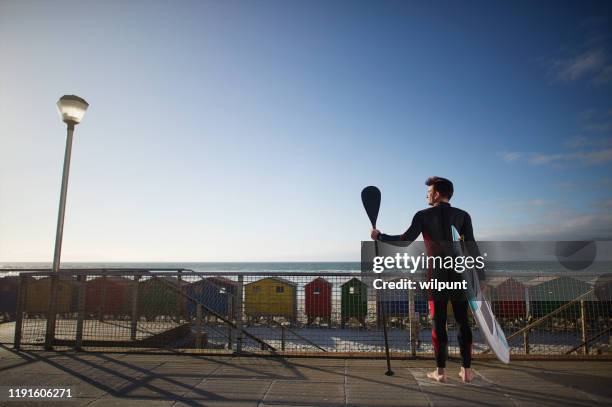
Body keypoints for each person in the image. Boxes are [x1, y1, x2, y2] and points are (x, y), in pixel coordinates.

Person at [371, 176, 486, 383]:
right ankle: (466, 371)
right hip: (461, 274)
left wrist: (380, 236)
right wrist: (481, 276)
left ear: (437, 194)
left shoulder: (423, 215)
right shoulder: (463, 216)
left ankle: (440, 372)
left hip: (436, 275)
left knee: (438, 322)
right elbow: (472, 246)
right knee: (463, 322)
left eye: (429, 191)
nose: (426, 194)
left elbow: (404, 241)